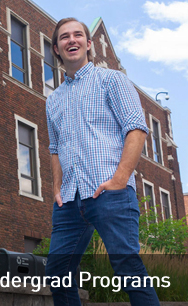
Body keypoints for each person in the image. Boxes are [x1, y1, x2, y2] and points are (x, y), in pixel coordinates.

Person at [45, 18, 160, 306]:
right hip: (69, 202)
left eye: (78, 35)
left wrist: (120, 180)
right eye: (64, 37)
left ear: (89, 44)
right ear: (56, 49)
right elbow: (55, 147)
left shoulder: (111, 80)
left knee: (128, 270)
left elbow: (136, 129)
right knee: (57, 273)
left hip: (110, 193)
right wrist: (57, 188)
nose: (71, 40)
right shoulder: (53, 100)